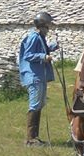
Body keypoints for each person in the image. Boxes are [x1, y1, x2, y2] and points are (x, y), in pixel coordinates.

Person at [18, 11, 59, 146]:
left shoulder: (39, 37)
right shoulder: (34, 37)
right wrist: (43, 57)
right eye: (48, 26)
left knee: (40, 104)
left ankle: (35, 136)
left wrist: (54, 46)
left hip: (39, 75)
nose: (48, 29)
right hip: (33, 76)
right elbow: (28, 55)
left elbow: (44, 49)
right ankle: (30, 139)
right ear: (43, 25)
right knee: (35, 105)